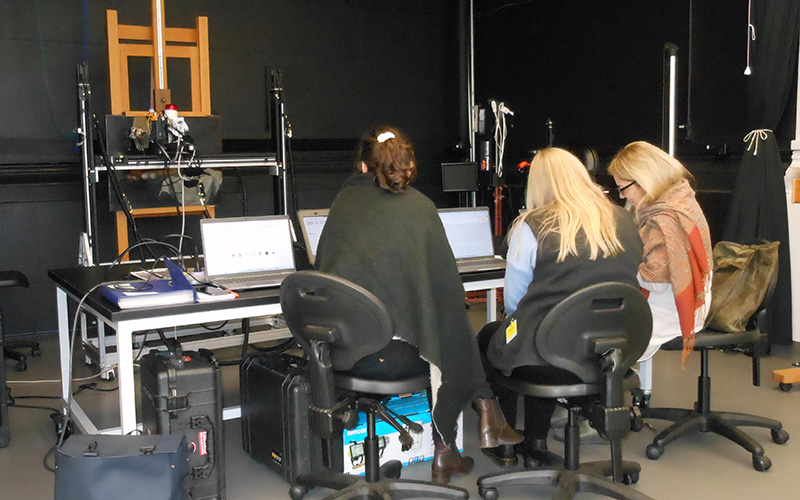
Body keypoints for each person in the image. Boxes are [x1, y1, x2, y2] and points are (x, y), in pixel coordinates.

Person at [315, 126, 522, 484]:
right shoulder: (421, 209)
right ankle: (469, 426)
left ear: (364, 167)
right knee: (451, 327)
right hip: (394, 357)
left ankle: (476, 419)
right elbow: (447, 293)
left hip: (340, 350)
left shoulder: (342, 204)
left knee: (447, 326)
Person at [477, 147, 643, 465]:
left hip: (548, 353)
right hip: (610, 352)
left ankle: (507, 440)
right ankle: (536, 440)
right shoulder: (623, 219)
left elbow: (514, 302)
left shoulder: (532, 226)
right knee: (542, 336)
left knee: (495, 337)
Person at [608, 141, 713, 364]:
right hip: (693, 300)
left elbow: (656, 281)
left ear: (643, 180)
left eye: (623, 189)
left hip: (670, 309)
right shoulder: (681, 198)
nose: (623, 196)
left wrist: (619, 266)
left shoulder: (662, 220)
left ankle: (603, 392)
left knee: (596, 332)